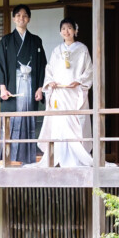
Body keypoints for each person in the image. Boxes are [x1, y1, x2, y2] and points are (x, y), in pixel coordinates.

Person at [0, 4, 47, 165]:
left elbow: (42, 65)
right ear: (14, 18)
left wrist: (40, 87)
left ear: (29, 19)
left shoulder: (36, 41)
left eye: (25, 16)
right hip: (12, 88)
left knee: (28, 118)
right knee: (12, 121)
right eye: (18, 15)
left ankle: (28, 157)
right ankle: (10, 158)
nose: (21, 18)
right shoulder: (6, 41)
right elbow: (0, 65)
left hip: (29, 86)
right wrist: (2, 88)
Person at [33, 17, 94, 167]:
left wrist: (79, 81)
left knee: (75, 123)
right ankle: (58, 155)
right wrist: (50, 82)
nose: (66, 31)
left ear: (75, 31)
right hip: (60, 92)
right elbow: (49, 70)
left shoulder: (82, 49)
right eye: (63, 29)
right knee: (60, 123)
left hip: (75, 92)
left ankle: (76, 157)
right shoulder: (56, 50)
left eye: (69, 28)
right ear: (60, 32)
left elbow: (89, 70)